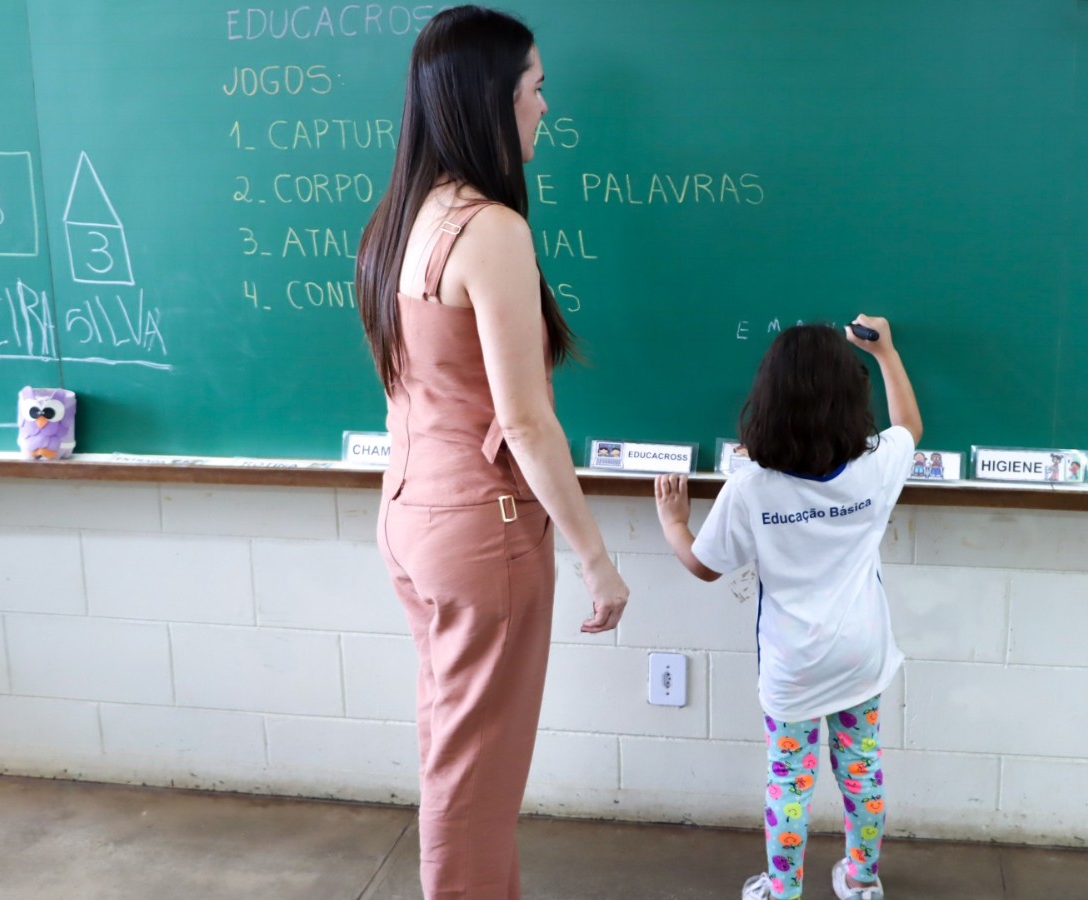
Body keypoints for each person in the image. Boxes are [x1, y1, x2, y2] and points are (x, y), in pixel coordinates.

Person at [354, 7, 630, 897]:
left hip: (408, 517)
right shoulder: (491, 231)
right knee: (477, 781)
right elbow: (525, 421)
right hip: (482, 529)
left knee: (456, 752)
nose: (546, 107)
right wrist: (597, 560)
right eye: (537, 87)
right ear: (493, 98)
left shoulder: (398, 221)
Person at [653, 316, 921, 900]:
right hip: (860, 656)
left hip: (792, 665)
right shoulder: (874, 468)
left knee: (788, 784)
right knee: (861, 772)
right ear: (851, 400)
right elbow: (910, 426)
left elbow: (703, 565)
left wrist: (675, 523)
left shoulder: (751, 486)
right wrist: (888, 353)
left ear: (767, 401)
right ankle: (861, 880)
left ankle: (781, 889)